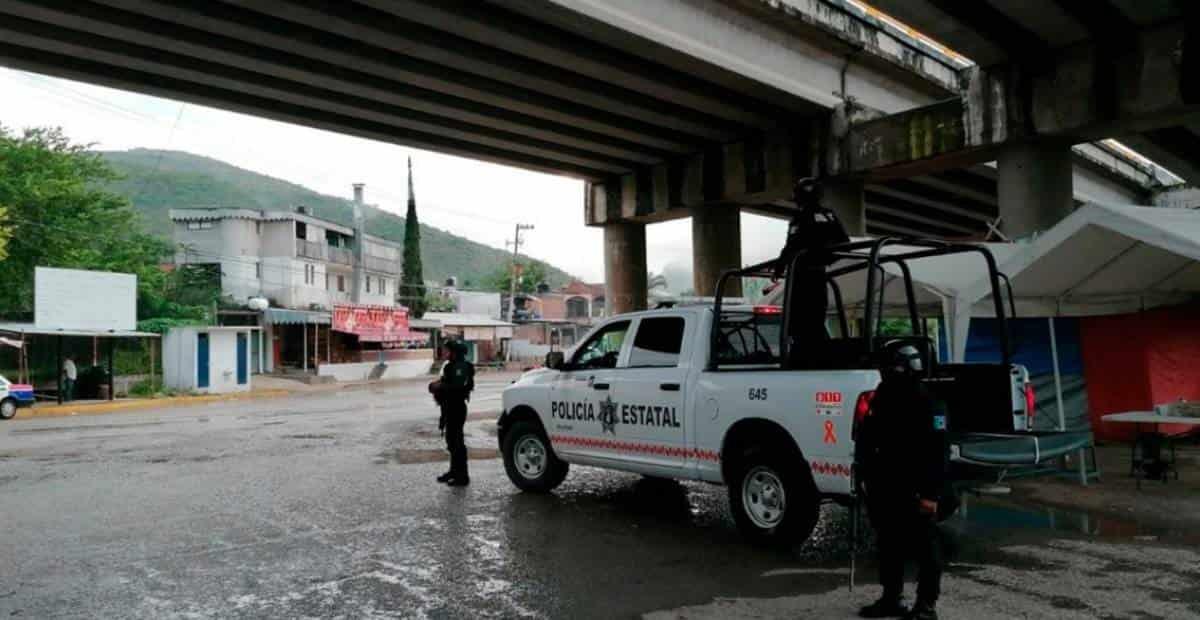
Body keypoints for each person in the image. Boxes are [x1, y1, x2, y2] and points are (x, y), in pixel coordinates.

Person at [856, 341, 951, 620]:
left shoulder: (929, 403)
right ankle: (890, 598)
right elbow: (867, 433)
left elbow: (938, 453)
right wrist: (862, 470)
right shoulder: (883, 396)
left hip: (917, 487)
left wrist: (931, 494)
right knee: (888, 543)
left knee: (926, 547)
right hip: (885, 484)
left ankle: (926, 605)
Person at [776, 177, 849, 368]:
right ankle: (813, 356)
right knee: (813, 319)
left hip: (803, 277)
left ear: (798, 197)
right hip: (816, 276)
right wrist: (823, 258)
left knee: (800, 322)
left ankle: (806, 358)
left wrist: (781, 266)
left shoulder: (799, 218)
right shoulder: (828, 215)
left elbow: (790, 246)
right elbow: (844, 244)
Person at [430, 340, 475, 487]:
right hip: (449, 406)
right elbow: (447, 383)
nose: (444, 352)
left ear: (454, 352)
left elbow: (456, 387)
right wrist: (437, 385)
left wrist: (439, 386)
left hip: (456, 407)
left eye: (447, 350)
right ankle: (454, 471)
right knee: (451, 441)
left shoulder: (461, 367)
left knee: (457, 443)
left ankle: (462, 476)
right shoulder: (451, 366)